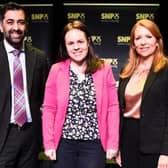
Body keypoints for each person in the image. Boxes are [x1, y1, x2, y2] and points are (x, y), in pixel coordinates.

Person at [42, 20, 120, 168]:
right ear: (65, 46)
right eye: (71, 43)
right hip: (64, 144)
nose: (76, 47)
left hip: (94, 145)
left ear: (88, 42)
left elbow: (113, 108)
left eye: (80, 41)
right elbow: (48, 109)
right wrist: (49, 143)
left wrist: (113, 143)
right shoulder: (56, 70)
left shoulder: (104, 69)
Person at [0, 2, 49, 168]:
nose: (16, 27)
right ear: (1, 26)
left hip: (30, 136)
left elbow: (45, 98)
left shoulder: (39, 58)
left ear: (26, 26)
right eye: (10, 22)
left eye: (21, 22)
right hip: (3, 136)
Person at [117, 19, 168, 168]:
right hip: (128, 140)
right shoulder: (126, 71)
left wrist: (166, 152)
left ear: (157, 41)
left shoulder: (165, 70)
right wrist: (119, 146)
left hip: (155, 145)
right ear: (133, 44)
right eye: (138, 38)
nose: (143, 42)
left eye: (148, 37)